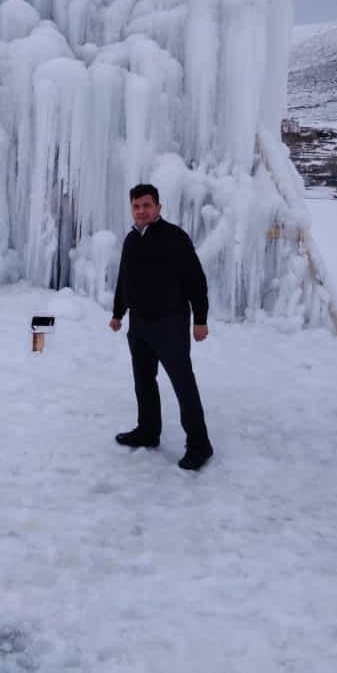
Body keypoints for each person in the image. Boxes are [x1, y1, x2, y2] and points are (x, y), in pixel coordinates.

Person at [109, 184, 213, 470]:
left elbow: (196, 281)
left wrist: (200, 320)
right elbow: (124, 280)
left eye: (147, 205)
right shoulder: (132, 239)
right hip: (139, 325)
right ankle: (148, 430)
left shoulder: (175, 238)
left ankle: (200, 445)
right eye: (136, 206)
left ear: (158, 207)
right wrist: (118, 313)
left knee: (183, 384)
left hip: (170, 324)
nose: (141, 211)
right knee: (144, 381)